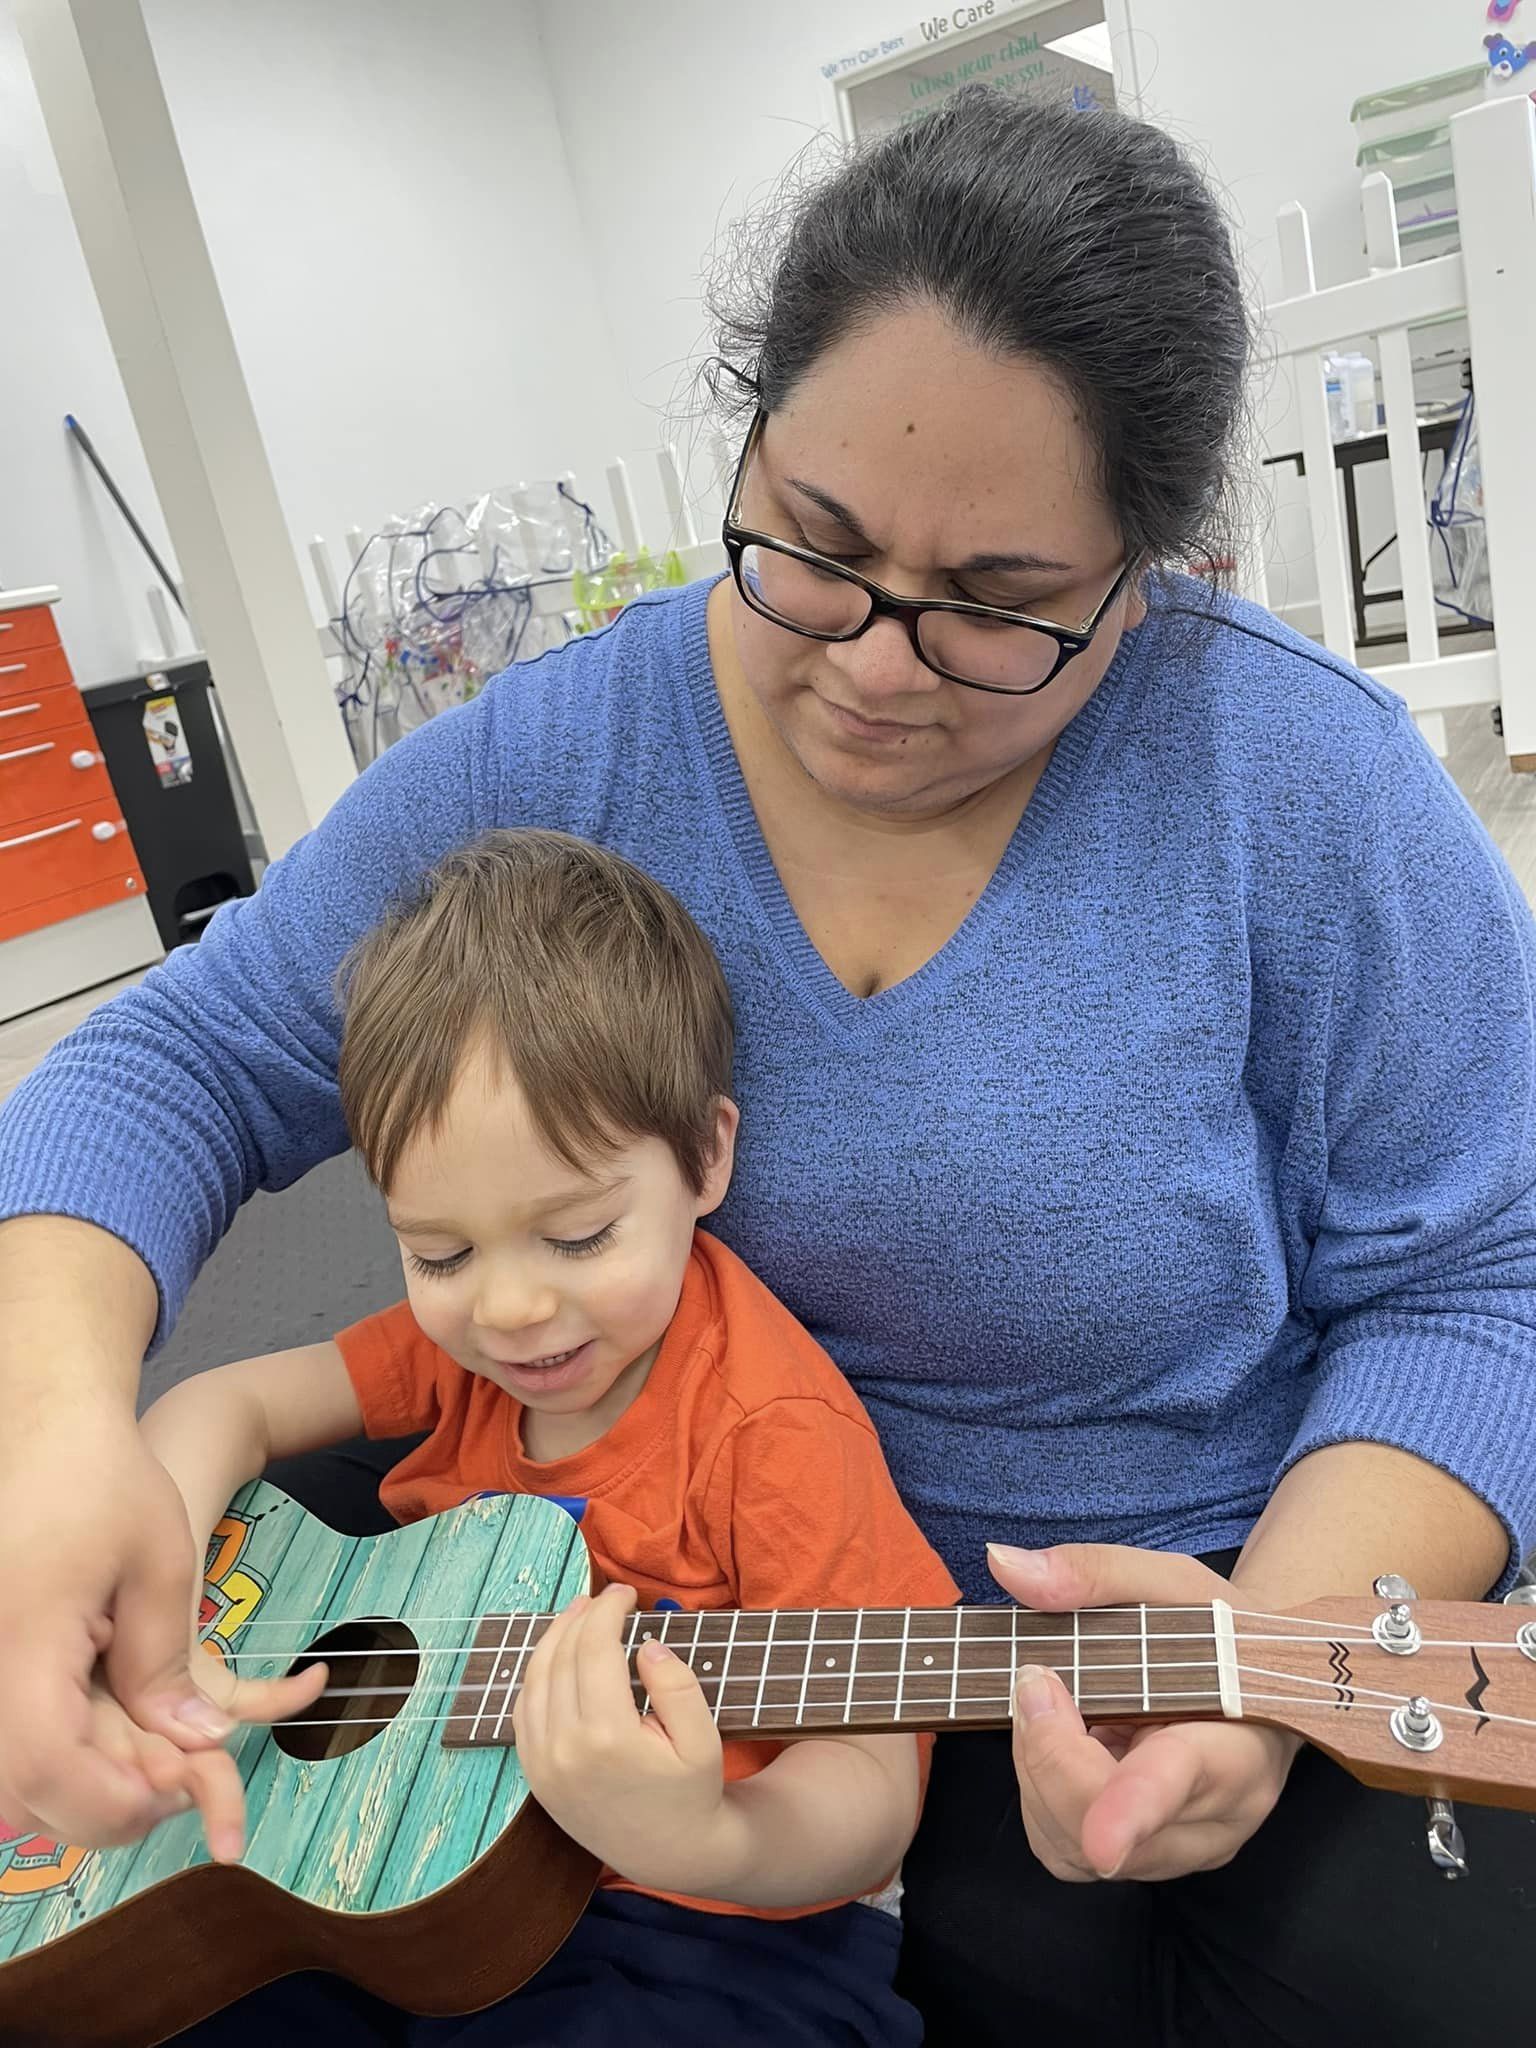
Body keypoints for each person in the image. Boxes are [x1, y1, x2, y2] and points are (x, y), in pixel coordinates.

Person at [0, 85, 1533, 2047]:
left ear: (1146, 572)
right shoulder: (563, 752)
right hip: (627, 1574)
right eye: (812, 546)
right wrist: (62, 1434)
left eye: (1000, 606)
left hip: (1152, 1614)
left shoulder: (1301, 787)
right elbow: (168, 1062)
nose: (875, 668)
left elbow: (1481, 1280)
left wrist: (1266, 1655)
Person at [139, 828, 955, 2043]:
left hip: (711, 1921)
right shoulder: (464, 1352)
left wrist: (709, 1834)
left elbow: (874, 1778)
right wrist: (160, 1599)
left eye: (577, 1236)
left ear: (706, 1155)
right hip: (400, 1851)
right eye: (440, 1253)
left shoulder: (771, 1428)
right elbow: (218, 1404)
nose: (512, 1308)